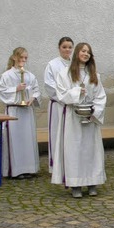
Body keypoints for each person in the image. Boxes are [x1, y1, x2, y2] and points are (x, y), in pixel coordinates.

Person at [51, 43, 106, 198]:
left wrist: (95, 110)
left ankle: (92, 182)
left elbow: (101, 95)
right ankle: (75, 184)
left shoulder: (94, 74)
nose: (86, 54)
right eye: (83, 51)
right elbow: (60, 94)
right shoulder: (65, 73)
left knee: (90, 150)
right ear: (77, 53)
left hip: (90, 117)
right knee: (74, 150)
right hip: (72, 117)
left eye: (88, 52)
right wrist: (76, 92)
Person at [0, 47, 41, 179]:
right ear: (14, 58)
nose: (23, 60)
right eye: (21, 57)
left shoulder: (30, 75)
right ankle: (16, 171)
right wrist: (16, 89)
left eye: (25, 58)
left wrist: (33, 98)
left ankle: (29, 168)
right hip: (14, 110)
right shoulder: (6, 75)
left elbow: (37, 90)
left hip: (27, 111)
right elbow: (1, 91)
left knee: (27, 139)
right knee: (16, 140)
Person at [44, 37, 73, 172]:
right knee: (57, 134)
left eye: (69, 47)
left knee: (70, 135)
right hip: (58, 105)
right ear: (59, 48)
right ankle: (56, 166)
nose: (67, 50)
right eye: (64, 47)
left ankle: (70, 164)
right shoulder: (52, 64)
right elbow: (49, 85)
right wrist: (66, 96)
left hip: (72, 105)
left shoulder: (74, 64)